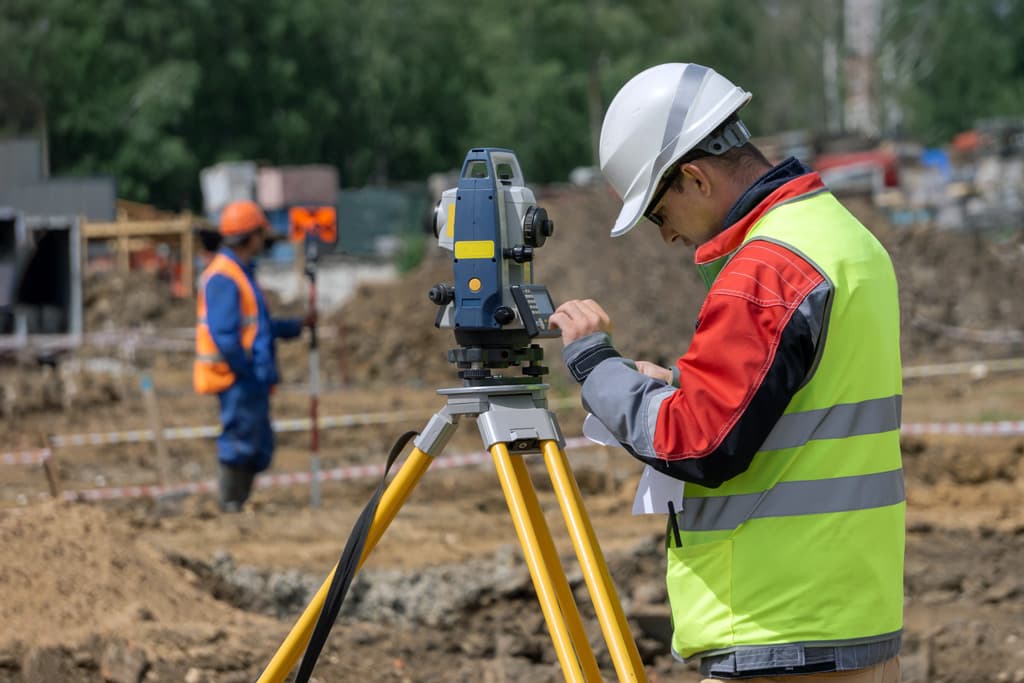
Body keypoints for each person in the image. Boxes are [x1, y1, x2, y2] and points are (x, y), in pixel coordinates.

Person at [548, 63, 904, 682]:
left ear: (692, 176)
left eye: (659, 215)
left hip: (776, 627)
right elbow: (800, 409)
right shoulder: (845, 238)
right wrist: (679, 391)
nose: (666, 238)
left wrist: (596, 365)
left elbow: (700, 443)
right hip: (851, 616)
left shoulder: (766, 269)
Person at [194, 200, 313, 512]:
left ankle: (237, 502)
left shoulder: (240, 272)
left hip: (249, 377)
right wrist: (247, 372)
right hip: (236, 378)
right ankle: (230, 505)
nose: (265, 239)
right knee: (240, 443)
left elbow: (259, 326)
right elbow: (225, 336)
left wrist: (295, 326)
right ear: (251, 236)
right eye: (261, 232)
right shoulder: (223, 275)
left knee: (257, 445)